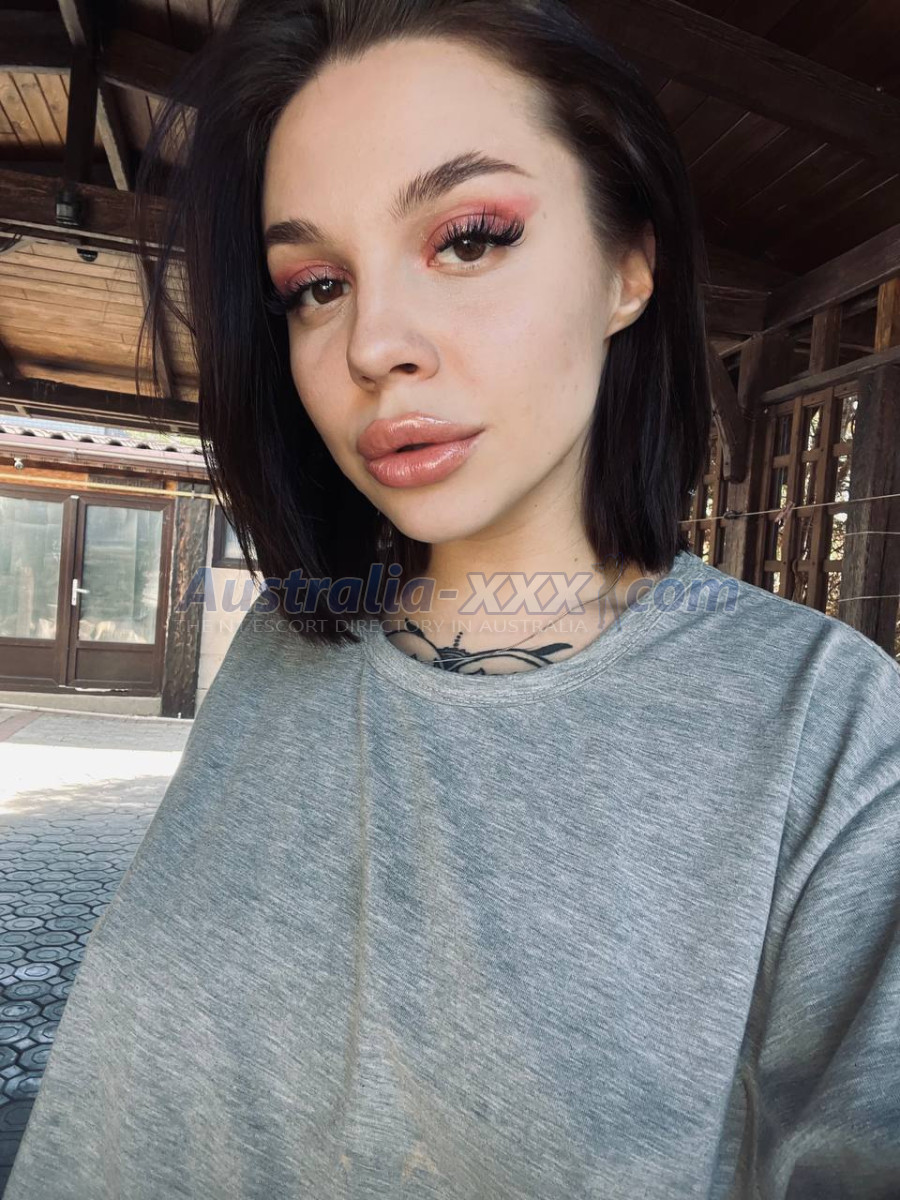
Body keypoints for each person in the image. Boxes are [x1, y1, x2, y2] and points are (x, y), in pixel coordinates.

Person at [4, 1, 899, 1197]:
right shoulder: (284, 645)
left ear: (629, 268)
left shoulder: (820, 723)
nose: (372, 343)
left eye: (470, 239)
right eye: (316, 284)